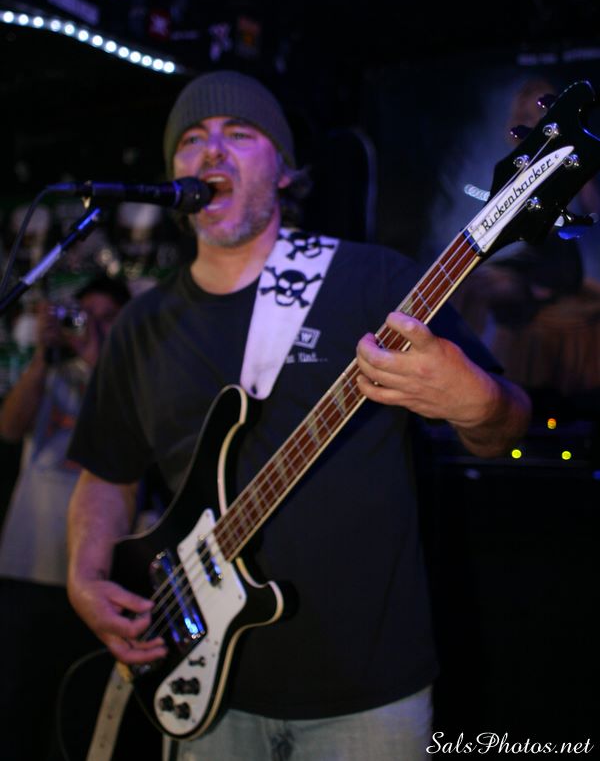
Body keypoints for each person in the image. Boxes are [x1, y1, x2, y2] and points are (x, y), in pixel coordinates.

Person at [66, 70, 531, 761]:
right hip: (204, 686)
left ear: (285, 170)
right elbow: (107, 475)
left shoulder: (374, 282)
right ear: (173, 174)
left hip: (367, 693)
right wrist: (85, 573)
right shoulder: (143, 324)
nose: (212, 151)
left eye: (239, 133)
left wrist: (481, 404)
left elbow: (507, 425)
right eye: (192, 139)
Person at [0, 274, 130, 761]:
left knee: (75, 715)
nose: (91, 328)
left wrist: (97, 356)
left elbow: (126, 429)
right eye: (83, 317)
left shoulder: (129, 381)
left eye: (106, 319)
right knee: (15, 706)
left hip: (95, 579)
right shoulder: (52, 375)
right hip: (27, 570)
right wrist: (42, 355)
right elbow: (9, 427)